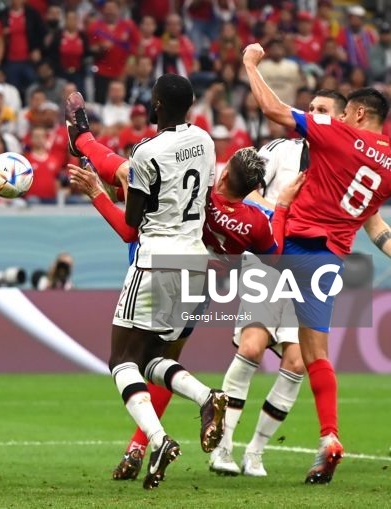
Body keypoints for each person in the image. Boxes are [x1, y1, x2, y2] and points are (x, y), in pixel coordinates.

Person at [66, 77, 226, 490]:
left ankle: (157, 440)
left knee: (121, 361)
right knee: (153, 359)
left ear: (155, 105)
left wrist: (98, 192)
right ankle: (208, 397)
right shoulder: (206, 142)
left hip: (156, 262)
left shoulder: (146, 152)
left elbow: (131, 226)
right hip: (195, 263)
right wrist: (84, 141)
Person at [243, 41, 391, 483]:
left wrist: (251, 65)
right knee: (315, 356)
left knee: (229, 229)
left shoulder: (341, 133)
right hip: (331, 259)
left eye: (345, 114)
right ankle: (329, 437)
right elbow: (374, 223)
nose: (337, 118)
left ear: (359, 115)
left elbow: (272, 108)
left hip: (290, 246)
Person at [210, 91, 346, 478]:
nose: (314, 115)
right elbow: (246, 187)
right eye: (312, 109)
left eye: (323, 111)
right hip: (268, 260)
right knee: (251, 347)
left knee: (297, 361)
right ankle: (223, 447)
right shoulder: (280, 150)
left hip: (310, 269)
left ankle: (255, 452)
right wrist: (280, 207)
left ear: (338, 120)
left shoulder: (344, 166)